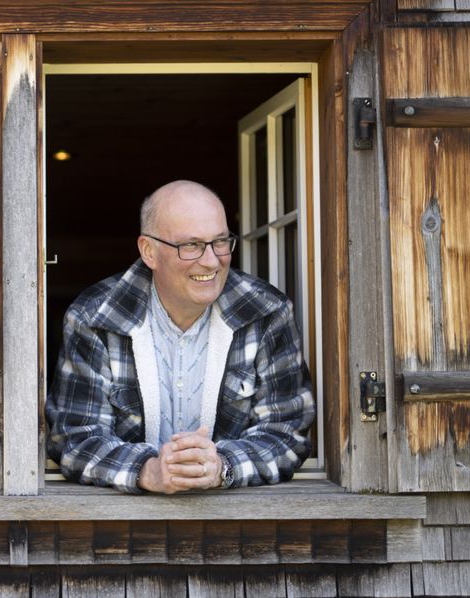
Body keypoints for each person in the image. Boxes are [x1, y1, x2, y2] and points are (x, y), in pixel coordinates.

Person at [45, 180, 315, 494]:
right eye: (191, 245)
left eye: (220, 241)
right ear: (149, 251)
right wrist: (148, 470)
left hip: (237, 522)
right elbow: (74, 438)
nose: (212, 261)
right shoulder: (95, 317)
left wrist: (221, 466)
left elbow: (287, 433)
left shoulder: (267, 312)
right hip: (121, 526)